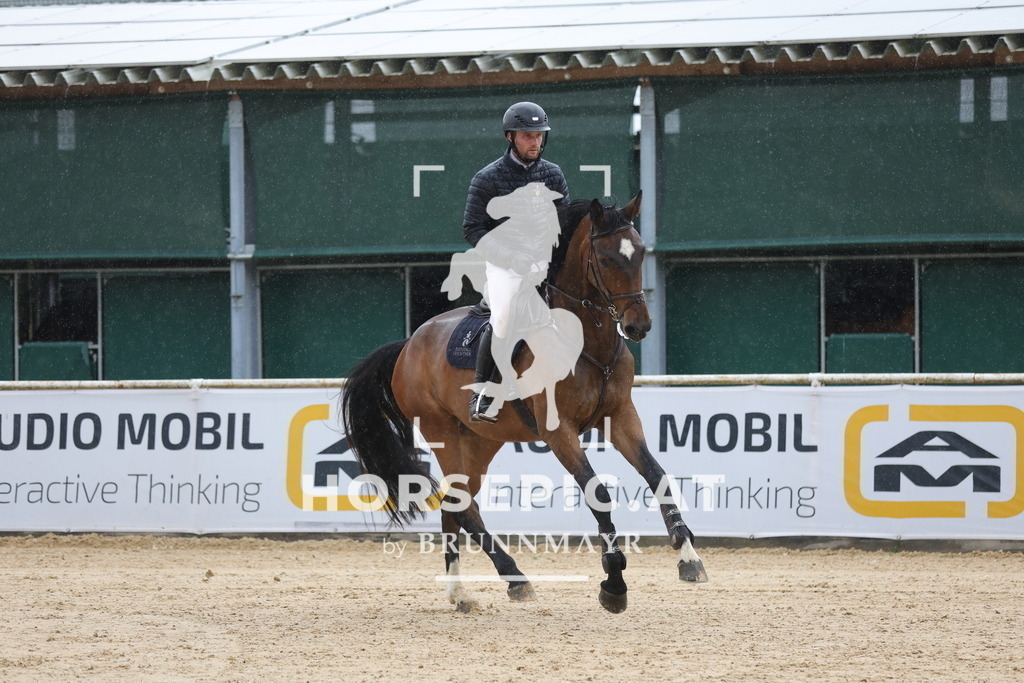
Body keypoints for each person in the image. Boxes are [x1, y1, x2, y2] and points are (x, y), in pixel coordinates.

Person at [462, 101, 570, 423]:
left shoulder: (553, 174)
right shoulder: (487, 178)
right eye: (527, 135)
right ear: (510, 137)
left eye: (539, 135)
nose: (535, 142)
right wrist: (511, 259)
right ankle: (481, 394)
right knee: (505, 315)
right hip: (505, 266)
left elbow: (562, 223)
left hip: (545, 263)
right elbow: (473, 229)